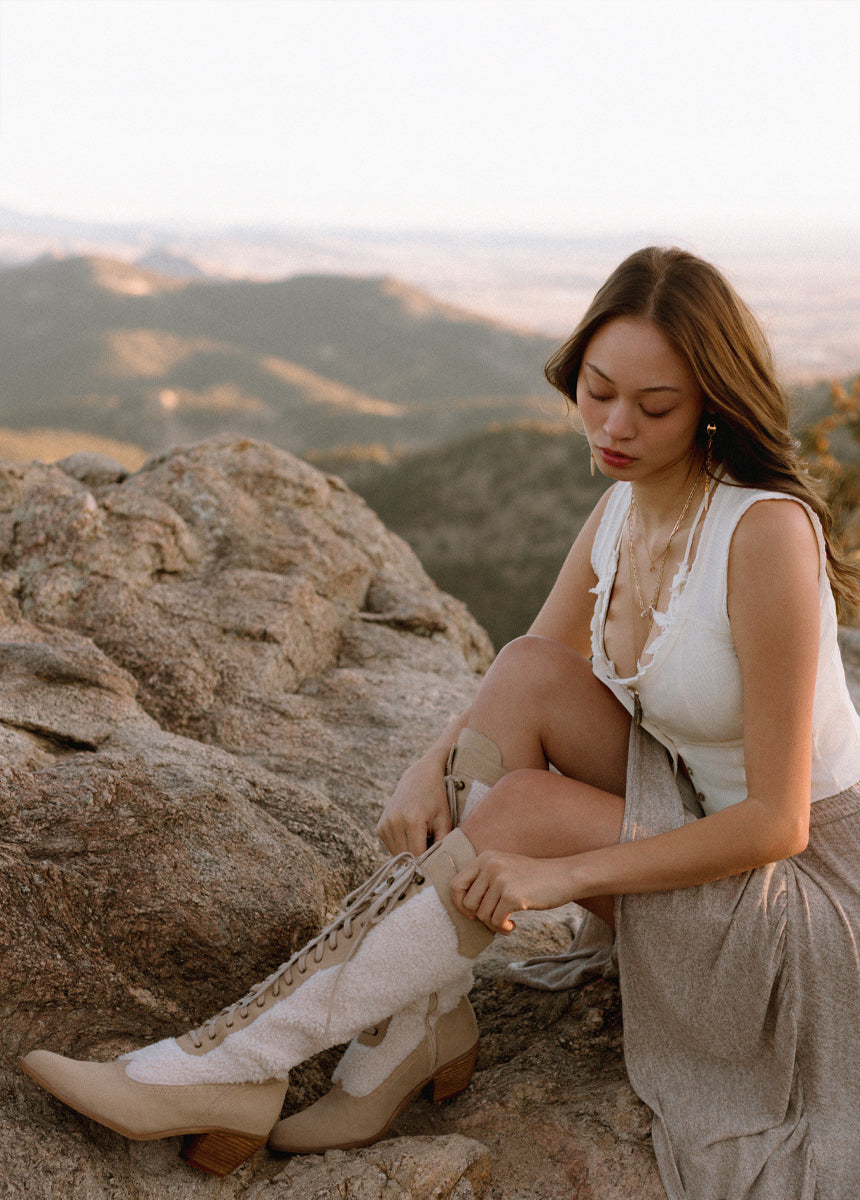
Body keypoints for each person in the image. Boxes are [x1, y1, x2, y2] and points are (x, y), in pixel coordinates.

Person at [20, 247, 860, 1199]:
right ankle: (412, 1027)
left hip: (802, 901)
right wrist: (432, 763)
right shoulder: (622, 510)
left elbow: (777, 825)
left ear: (713, 400)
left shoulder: (765, 534)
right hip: (692, 816)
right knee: (524, 669)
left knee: (523, 811)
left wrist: (557, 874)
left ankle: (231, 1068)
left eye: (655, 407)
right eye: (598, 391)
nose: (617, 427)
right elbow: (529, 671)